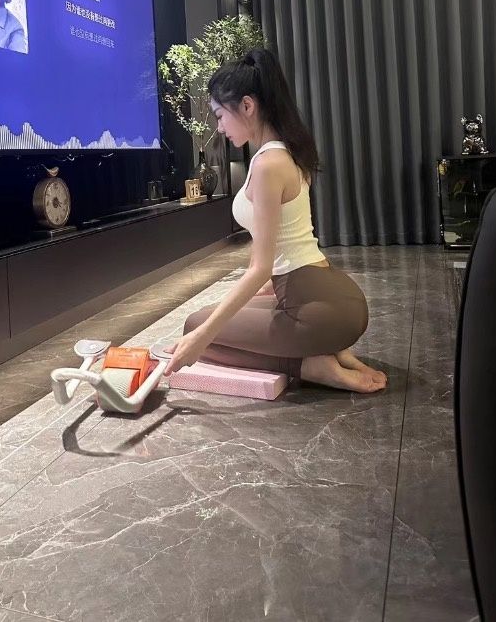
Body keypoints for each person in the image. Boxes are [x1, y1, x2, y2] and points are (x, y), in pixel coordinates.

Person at [163, 48, 387, 393]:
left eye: (220, 115)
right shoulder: (285, 153)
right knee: (212, 317)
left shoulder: (268, 165)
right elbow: (287, 250)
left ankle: (312, 365)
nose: (219, 128)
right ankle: (330, 348)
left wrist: (201, 336)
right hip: (327, 294)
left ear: (247, 106)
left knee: (196, 328)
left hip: (315, 307)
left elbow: (260, 268)